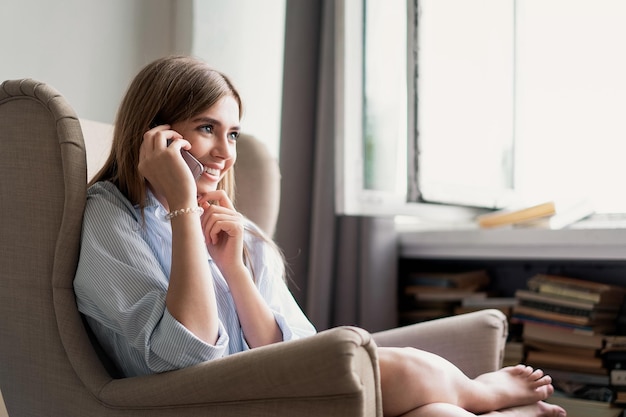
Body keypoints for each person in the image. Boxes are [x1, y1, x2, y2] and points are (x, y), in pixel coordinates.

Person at [73, 55, 566, 417]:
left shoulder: (224, 222)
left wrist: (235, 271)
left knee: (437, 415)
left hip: (265, 388)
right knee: (402, 368)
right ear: (157, 135)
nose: (226, 152)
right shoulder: (109, 219)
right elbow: (187, 353)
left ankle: (478, 407)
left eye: (234, 134)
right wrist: (180, 209)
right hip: (199, 402)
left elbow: (294, 350)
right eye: (207, 128)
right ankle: (483, 395)